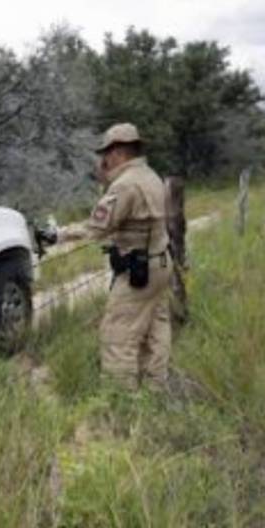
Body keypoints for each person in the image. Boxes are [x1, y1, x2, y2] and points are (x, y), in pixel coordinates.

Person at [86, 123, 172, 390]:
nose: (104, 160)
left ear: (119, 151)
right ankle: (155, 388)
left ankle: (120, 400)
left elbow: (97, 228)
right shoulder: (150, 176)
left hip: (138, 271)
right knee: (156, 330)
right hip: (160, 263)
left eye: (107, 153)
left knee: (118, 334)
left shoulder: (125, 186)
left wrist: (59, 235)